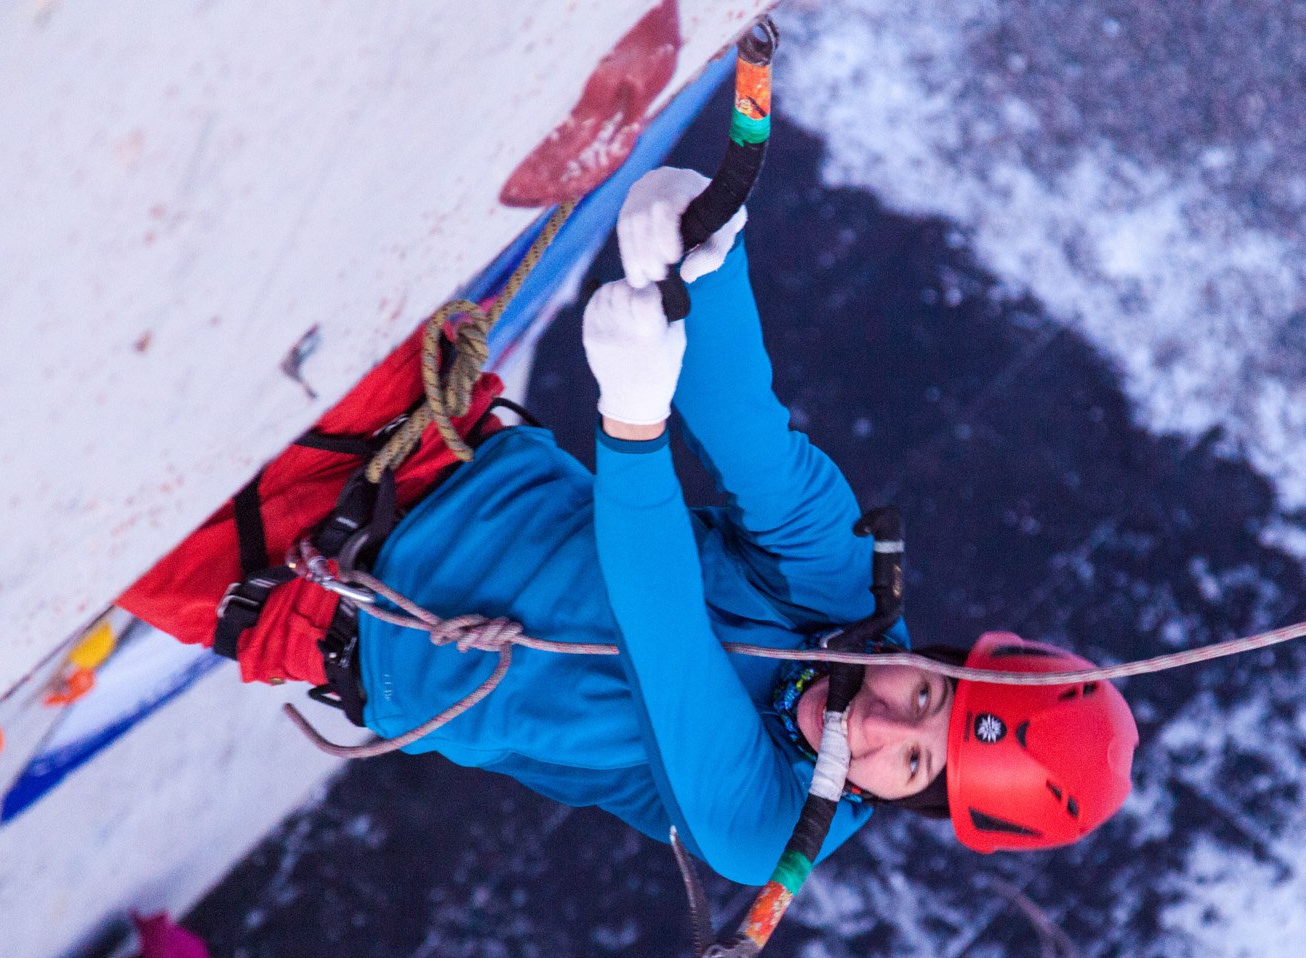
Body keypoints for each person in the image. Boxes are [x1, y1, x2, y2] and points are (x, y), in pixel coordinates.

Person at [125, 168, 1139, 884]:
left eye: (912, 761)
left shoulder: (765, 832)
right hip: (424, 433)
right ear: (945, 659)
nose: (876, 724)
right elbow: (753, 441)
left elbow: (669, 647)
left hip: (295, 601)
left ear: (913, 803)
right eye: (923, 694)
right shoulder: (841, 587)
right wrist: (702, 264)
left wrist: (634, 425)